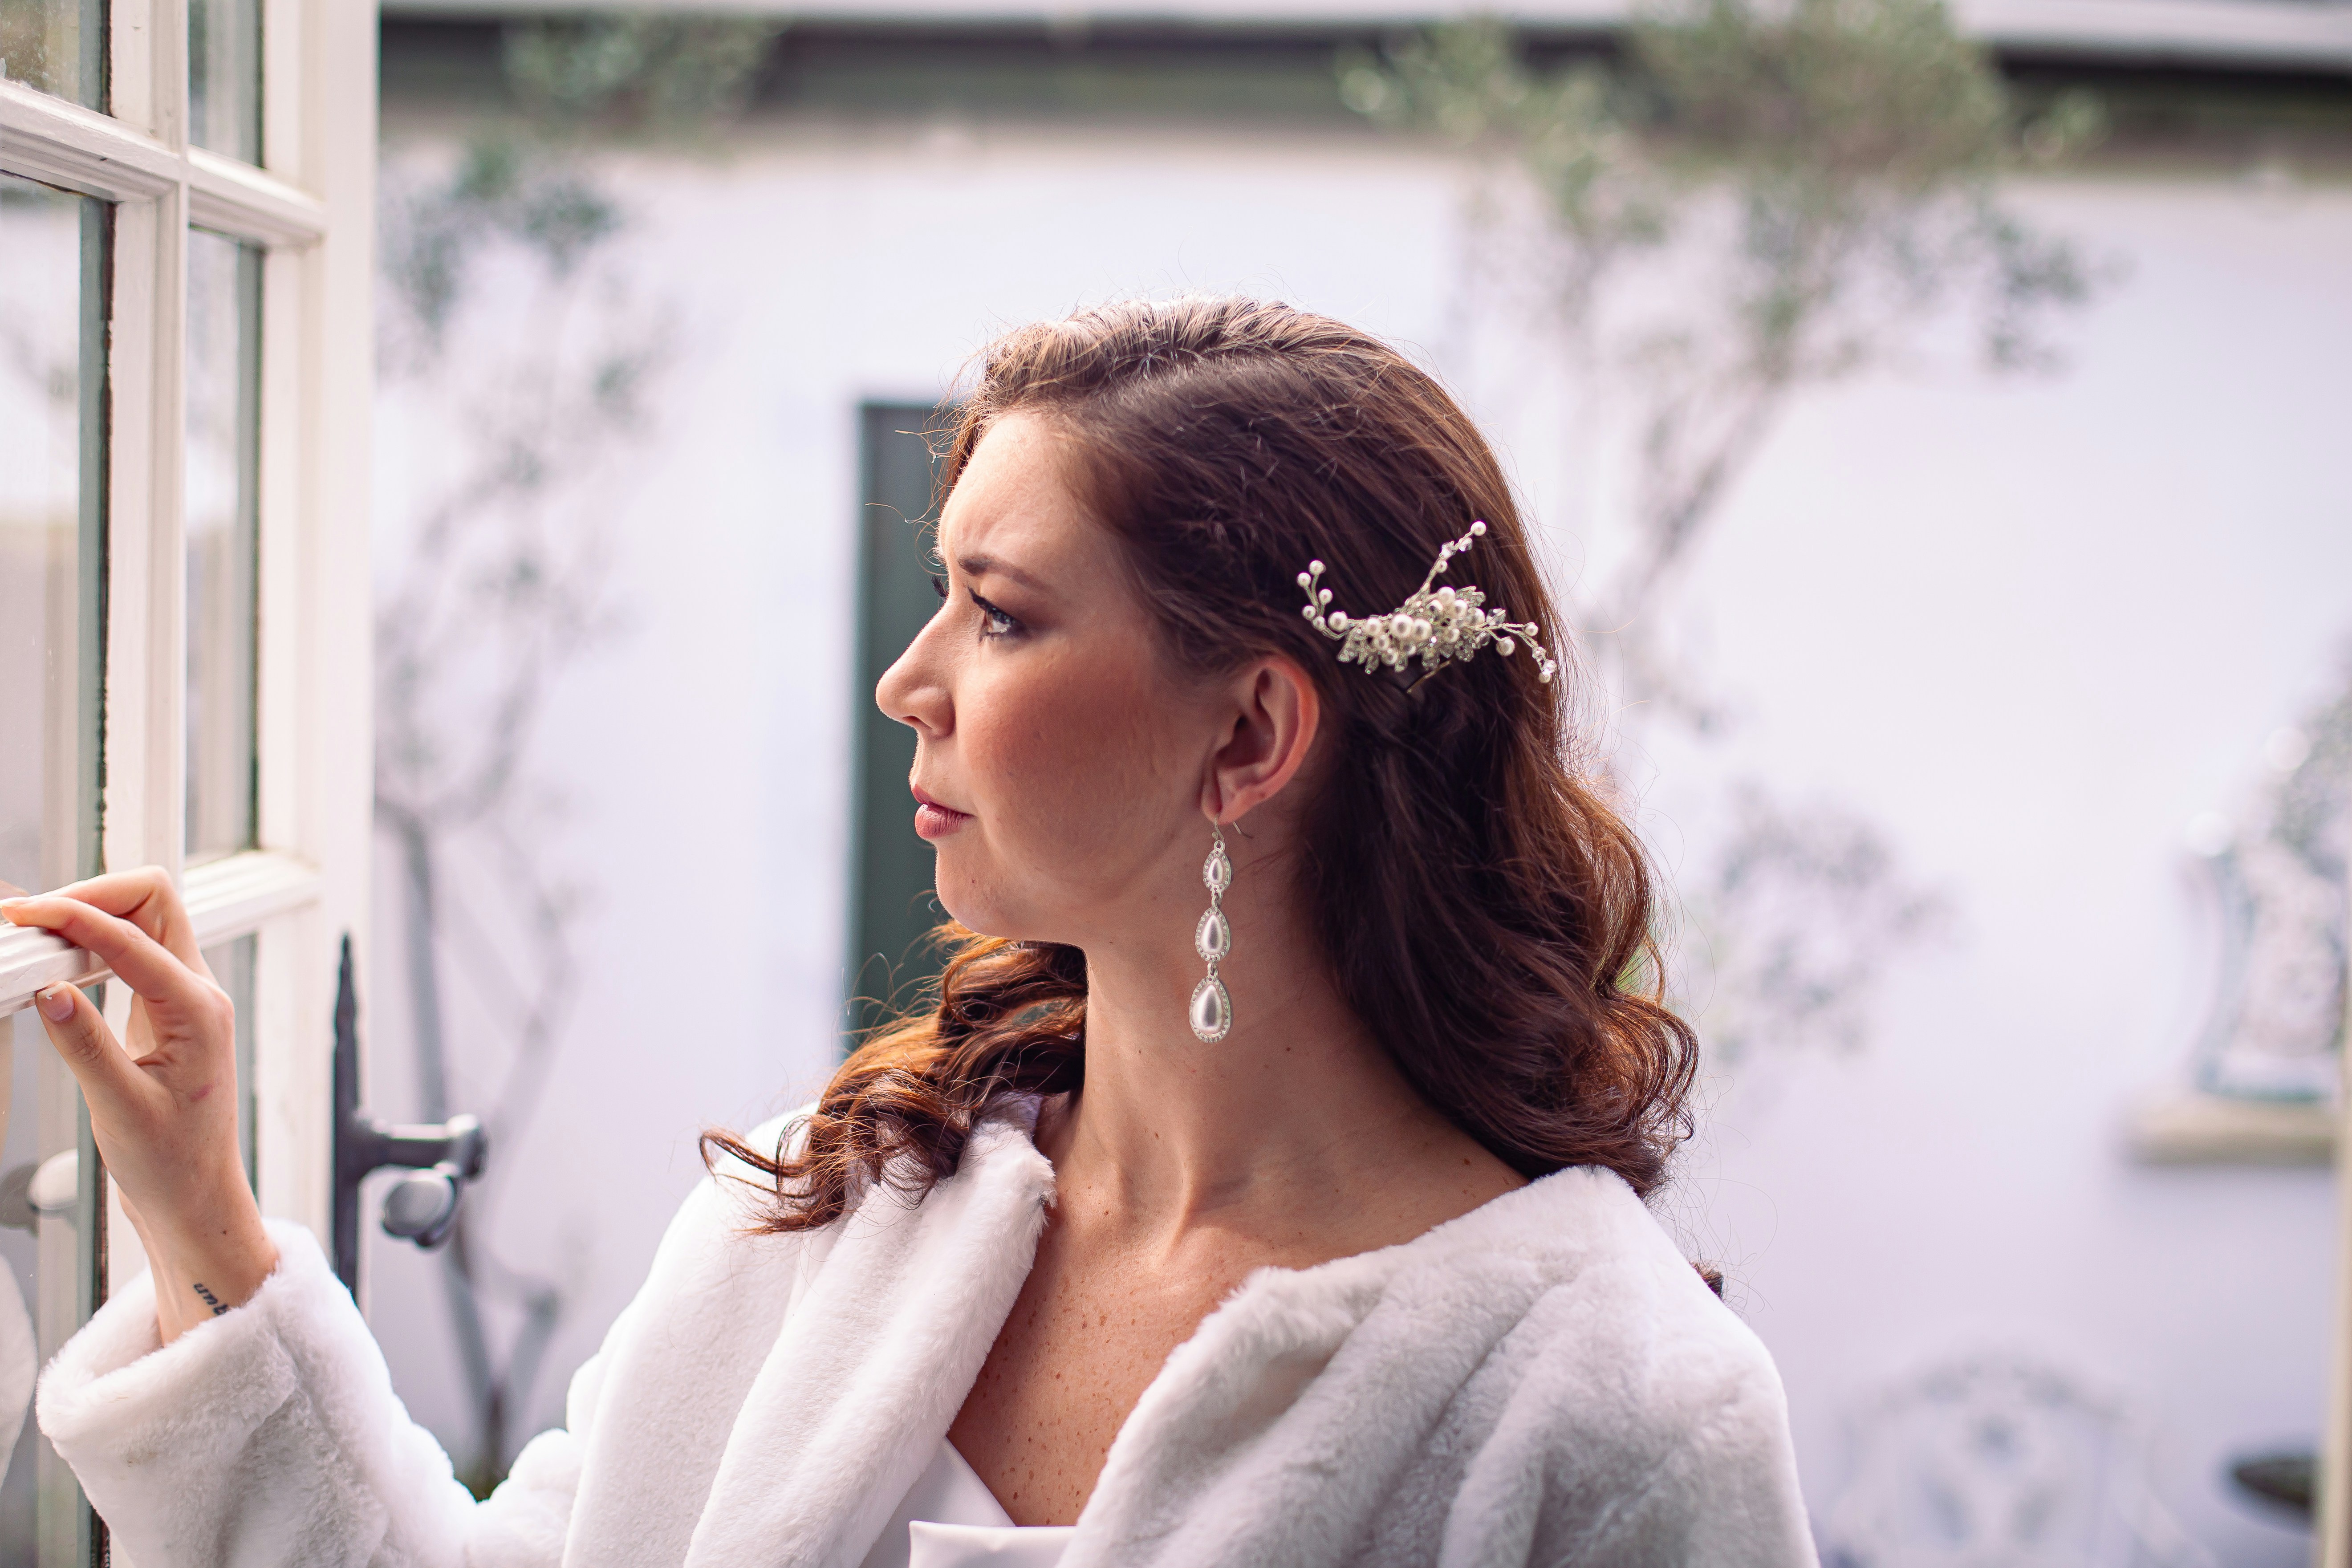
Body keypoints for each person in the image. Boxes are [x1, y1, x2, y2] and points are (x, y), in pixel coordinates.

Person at [1, 297, 1815, 1567]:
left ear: (1250, 733)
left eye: (1001, 613)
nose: (907, 679)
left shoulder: (1616, 1407)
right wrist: (199, 1220)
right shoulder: (828, 1203)